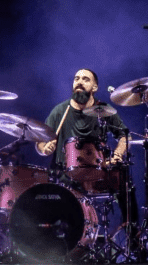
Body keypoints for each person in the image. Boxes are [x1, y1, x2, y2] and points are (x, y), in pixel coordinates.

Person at [35, 69, 134, 222]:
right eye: (76, 78)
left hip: (99, 174)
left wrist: (118, 155)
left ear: (95, 87)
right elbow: (40, 139)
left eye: (85, 79)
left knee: (126, 181)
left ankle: (133, 236)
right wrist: (44, 148)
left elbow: (125, 137)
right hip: (66, 175)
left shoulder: (104, 109)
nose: (79, 82)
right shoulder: (60, 111)